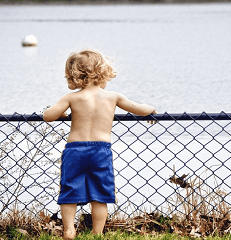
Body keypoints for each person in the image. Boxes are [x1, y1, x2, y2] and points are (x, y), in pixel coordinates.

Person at [43, 49, 157, 239]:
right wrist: (151, 109)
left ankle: (69, 230)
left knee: (70, 190)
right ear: (102, 72)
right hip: (100, 151)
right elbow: (140, 109)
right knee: (100, 195)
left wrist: (61, 114)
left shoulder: (72, 98)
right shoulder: (113, 97)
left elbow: (48, 116)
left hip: (75, 150)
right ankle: (97, 233)